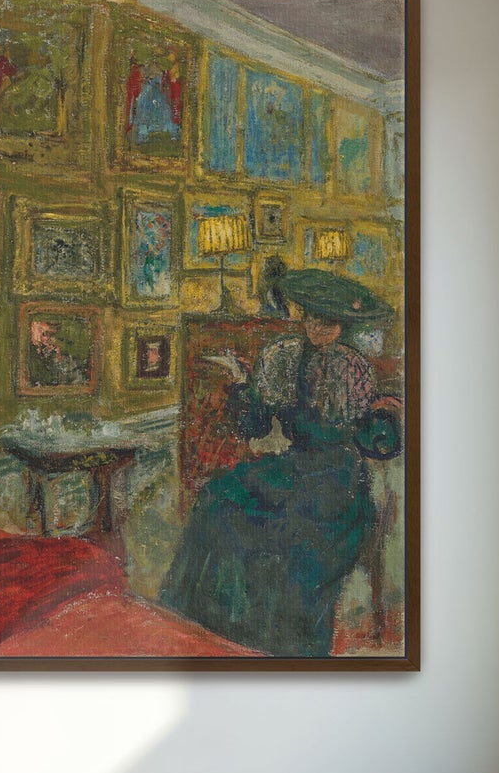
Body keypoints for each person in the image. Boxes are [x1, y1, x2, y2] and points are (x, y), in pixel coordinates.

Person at [159, 267, 401, 658]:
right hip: (291, 467)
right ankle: (211, 629)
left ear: (341, 325)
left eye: (329, 321)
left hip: (337, 482)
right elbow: (253, 426)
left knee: (291, 535)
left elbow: (373, 442)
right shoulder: (281, 357)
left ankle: (285, 645)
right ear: (303, 317)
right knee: (218, 499)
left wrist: (383, 417)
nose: (319, 328)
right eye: (313, 317)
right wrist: (242, 383)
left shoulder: (352, 367)